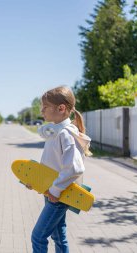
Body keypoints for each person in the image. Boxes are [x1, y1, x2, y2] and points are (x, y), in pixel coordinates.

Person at [29, 86, 91, 253]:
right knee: (58, 236)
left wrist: (55, 191)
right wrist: (35, 182)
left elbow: (74, 168)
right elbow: (52, 165)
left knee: (38, 236)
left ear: (61, 108)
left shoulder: (65, 134)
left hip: (58, 195)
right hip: (54, 192)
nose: (42, 110)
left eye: (45, 107)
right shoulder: (57, 132)